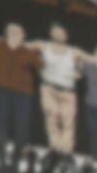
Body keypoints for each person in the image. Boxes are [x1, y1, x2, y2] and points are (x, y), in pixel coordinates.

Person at [0, 22, 40, 149]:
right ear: (6, 33)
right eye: (11, 31)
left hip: (22, 91)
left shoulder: (28, 52)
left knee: (22, 120)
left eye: (17, 32)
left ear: (23, 36)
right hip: (0, 87)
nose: (14, 33)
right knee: (0, 116)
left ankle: (21, 147)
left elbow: (42, 66)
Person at [31, 22, 83, 154]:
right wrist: (38, 64)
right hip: (49, 87)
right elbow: (25, 47)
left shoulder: (73, 51)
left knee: (68, 121)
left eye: (62, 32)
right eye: (57, 32)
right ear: (51, 34)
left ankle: (66, 151)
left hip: (68, 91)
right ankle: (55, 148)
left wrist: (80, 69)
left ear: (66, 35)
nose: (60, 34)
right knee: (51, 116)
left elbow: (89, 59)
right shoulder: (44, 46)